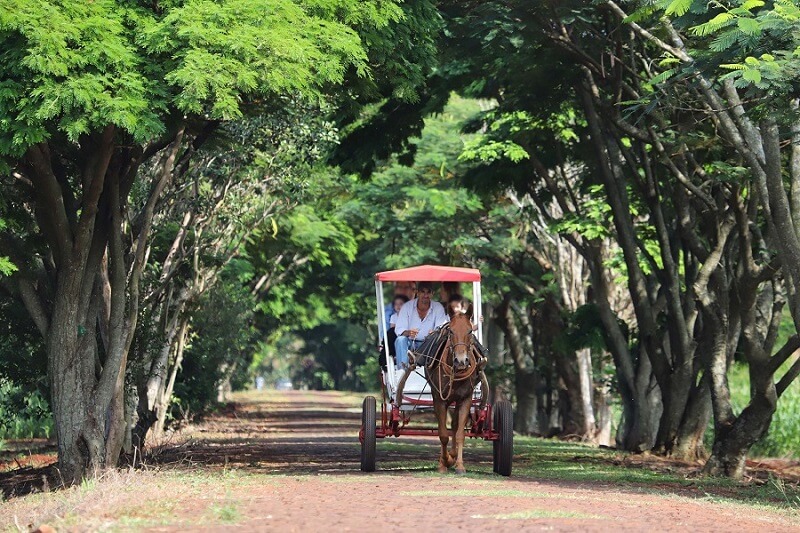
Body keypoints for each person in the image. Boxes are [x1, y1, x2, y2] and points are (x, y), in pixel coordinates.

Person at [394, 281, 448, 369]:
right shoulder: (407, 307)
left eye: (428, 292)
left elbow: (441, 328)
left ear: (432, 294)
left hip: (429, 344)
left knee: (437, 340)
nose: (425, 295)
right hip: (410, 343)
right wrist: (408, 332)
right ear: (417, 293)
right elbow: (399, 329)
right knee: (400, 340)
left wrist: (434, 333)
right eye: (423, 292)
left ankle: (433, 369)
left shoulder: (438, 307)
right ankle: (402, 370)